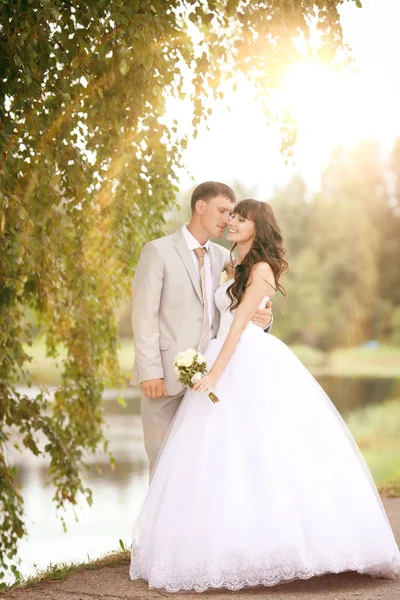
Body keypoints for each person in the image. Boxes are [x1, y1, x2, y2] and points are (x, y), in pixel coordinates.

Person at [130, 199, 400, 592]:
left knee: (267, 451)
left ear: (259, 228)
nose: (233, 222)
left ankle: (289, 543)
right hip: (218, 353)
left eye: (240, 218)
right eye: (232, 216)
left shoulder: (260, 268)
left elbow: (240, 326)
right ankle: (219, 541)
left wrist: (216, 374)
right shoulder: (230, 263)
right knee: (216, 457)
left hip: (245, 359)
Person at [130, 182, 272, 474]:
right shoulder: (157, 251)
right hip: (165, 379)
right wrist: (150, 371)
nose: (228, 219)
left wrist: (266, 319)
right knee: (162, 468)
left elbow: (246, 303)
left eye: (233, 214)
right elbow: (144, 315)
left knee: (203, 472)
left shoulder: (226, 259)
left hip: (213, 380)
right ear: (200, 206)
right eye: (223, 211)